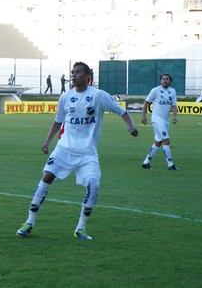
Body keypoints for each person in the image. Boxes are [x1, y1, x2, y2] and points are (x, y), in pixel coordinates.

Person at [15, 62, 138, 240]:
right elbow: (58, 122)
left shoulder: (98, 96)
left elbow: (122, 112)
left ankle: (80, 228)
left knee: (94, 184)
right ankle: (29, 222)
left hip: (87, 152)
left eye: (78, 72)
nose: (73, 75)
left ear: (88, 76)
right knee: (47, 176)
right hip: (64, 149)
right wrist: (47, 142)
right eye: (72, 72)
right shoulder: (65, 97)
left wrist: (131, 127)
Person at [140, 73, 179, 171]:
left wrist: (175, 116)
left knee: (158, 142)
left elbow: (174, 105)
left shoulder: (172, 91)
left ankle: (146, 162)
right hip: (157, 120)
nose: (165, 80)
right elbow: (146, 102)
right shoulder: (155, 90)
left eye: (167, 79)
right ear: (160, 80)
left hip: (165, 121)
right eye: (163, 79)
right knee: (166, 140)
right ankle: (170, 165)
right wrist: (143, 116)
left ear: (170, 81)